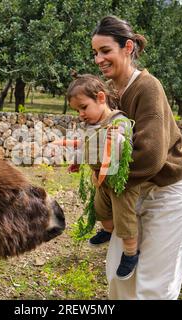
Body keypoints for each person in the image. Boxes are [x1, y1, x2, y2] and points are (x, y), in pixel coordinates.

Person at [90, 15, 182, 299]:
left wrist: (103, 175)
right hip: (132, 190)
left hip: (168, 193)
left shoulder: (147, 87)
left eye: (105, 51)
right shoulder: (112, 95)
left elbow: (150, 158)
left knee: (154, 289)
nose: (98, 59)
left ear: (127, 48)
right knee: (119, 280)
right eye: (95, 53)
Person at [52, 74, 141, 279]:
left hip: (121, 182)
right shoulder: (90, 125)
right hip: (101, 180)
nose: (81, 114)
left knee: (125, 219)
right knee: (101, 211)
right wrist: (76, 160)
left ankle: (130, 253)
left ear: (101, 98)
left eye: (84, 107)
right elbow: (86, 145)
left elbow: (125, 146)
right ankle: (108, 231)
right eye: (77, 110)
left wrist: (116, 138)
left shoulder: (119, 121)